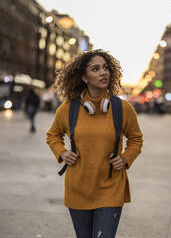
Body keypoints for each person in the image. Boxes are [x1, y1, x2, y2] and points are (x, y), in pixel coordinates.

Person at [46, 49, 143, 238]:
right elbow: (53, 135)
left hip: (110, 188)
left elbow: (136, 139)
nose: (103, 72)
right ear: (84, 76)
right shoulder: (69, 108)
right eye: (96, 69)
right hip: (78, 189)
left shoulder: (122, 108)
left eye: (105, 68)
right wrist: (62, 152)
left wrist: (125, 159)